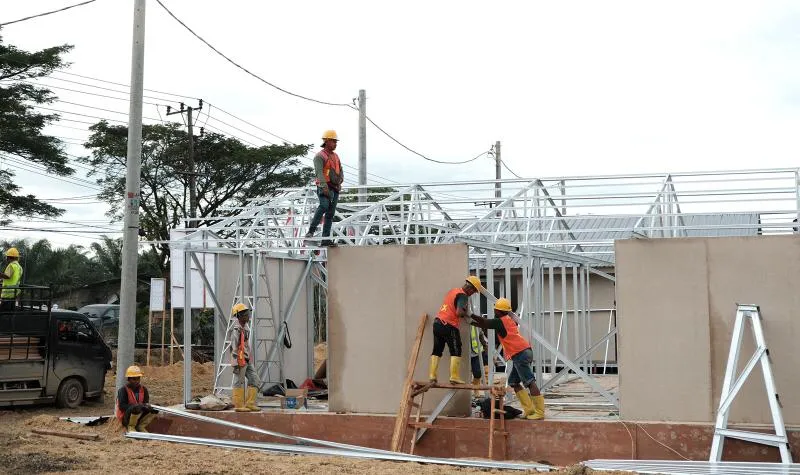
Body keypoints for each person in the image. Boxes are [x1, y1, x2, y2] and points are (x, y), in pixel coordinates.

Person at [470, 298, 545, 420]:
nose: (494, 311)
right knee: (514, 382)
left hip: (520, 353)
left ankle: (540, 412)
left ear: (499, 311)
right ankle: (529, 409)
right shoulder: (508, 320)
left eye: (496, 309)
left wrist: (470, 317)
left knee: (529, 382)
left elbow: (485, 323)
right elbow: (485, 323)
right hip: (523, 351)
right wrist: (471, 321)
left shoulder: (500, 321)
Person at [428, 276, 483, 385]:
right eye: (474, 291)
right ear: (470, 288)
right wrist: (466, 314)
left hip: (438, 323)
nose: (472, 294)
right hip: (448, 325)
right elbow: (458, 312)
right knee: (456, 349)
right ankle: (454, 376)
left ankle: (432, 375)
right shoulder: (463, 296)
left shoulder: (453, 291)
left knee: (437, 350)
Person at [305, 130, 344, 247]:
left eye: (336, 142)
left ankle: (325, 239)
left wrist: (340, 180)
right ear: (326, 141)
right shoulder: (319, 156)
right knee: (324, 206)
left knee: (330, 213)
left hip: (335, 187)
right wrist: (324, 186)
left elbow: (340, 170)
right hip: (325, 186)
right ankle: (311, 231)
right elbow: (319, 173)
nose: (335, 144)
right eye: (333, 141)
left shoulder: (336, 156)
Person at [230, 303, 262, 412]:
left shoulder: (245, 328)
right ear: (239, 316)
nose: (248, 316)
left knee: (255, 380)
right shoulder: (236, 330)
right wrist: (236, 363)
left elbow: (246, 346)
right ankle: (238, 405)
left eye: (248, 314)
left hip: (246, 359)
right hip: (240, 360)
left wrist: (248, 358)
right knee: (238, 381)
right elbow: (233, 347)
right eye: (246, 314)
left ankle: (250, 403)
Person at [116, 365, 158, 432]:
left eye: (138, 378)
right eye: (134, 379)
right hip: (126, 418)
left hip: (139, 415)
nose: (137, 381)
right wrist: (136, 406)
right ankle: (131, 427)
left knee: (155, 408)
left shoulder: (144, 389)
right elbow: (122, 406)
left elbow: (145, 403)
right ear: (128, 379)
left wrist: (146, 407)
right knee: (136, 407)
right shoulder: (123, 390)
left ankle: (141, 425)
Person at [0, 248, 23, 312]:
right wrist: (2, 280)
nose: (6, 258)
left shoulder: (11, 265)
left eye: (7, 257)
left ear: (9, 257)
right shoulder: (19, 267)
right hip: (14, 293)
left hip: (7, 294)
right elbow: (14, 278)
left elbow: (7, 276)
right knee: (10, 313)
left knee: (3, 313)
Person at [470, 325, 489, 397]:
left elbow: (481, 334)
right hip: (465, 354)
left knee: (478, 373)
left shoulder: (475, 323)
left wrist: (484, 345)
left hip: (476, 352)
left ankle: (476, 390)